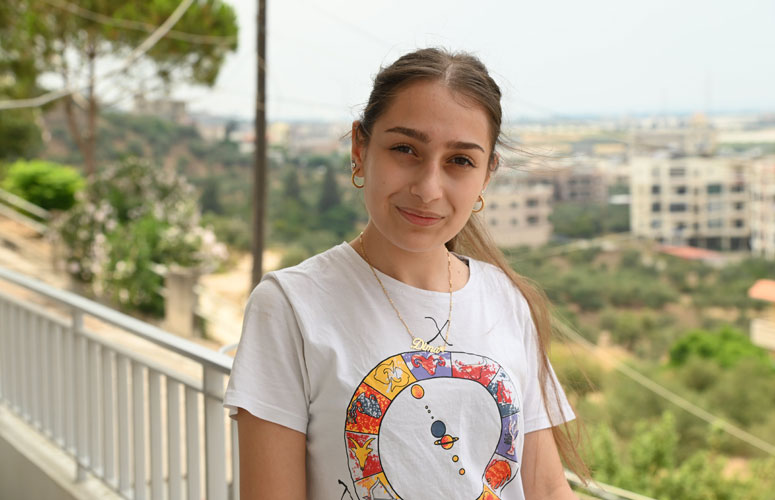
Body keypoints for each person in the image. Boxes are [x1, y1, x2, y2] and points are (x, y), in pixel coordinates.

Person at [224, 47, 587, 500]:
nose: (428, 188)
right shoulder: (291, 306)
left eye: (460, 161)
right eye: (405, 149)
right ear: (360, 148)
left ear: (487, 175)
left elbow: (548, 489)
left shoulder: (504, 298)